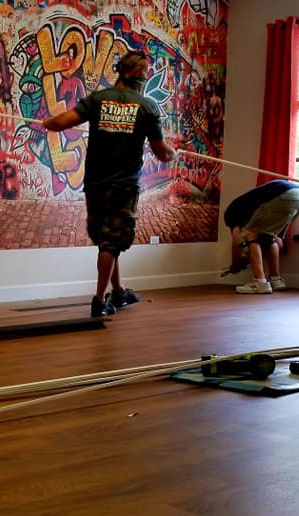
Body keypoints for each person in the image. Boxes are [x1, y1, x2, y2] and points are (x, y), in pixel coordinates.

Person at [43, 50, 177, 317]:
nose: (146, 75)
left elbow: (61, 122)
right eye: (144, 71)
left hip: (95, 184)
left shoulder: (98, 100)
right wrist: (173, 153)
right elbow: (162, 153)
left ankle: (118, 291)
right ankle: (99, 299)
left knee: (107, 241)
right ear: (135, 73)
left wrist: (48, 123)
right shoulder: (147, 107)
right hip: (124, 186)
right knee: (111, 243)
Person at [223, 180, 299, 294]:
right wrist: (247, 258)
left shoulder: (231, 214)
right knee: (269, 237)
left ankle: (260, 283)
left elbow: (237, 242)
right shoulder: (249, 211)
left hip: (286, 196)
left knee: (250, 235)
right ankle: (276, 280)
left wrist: (234, 266)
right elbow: (279, 243)